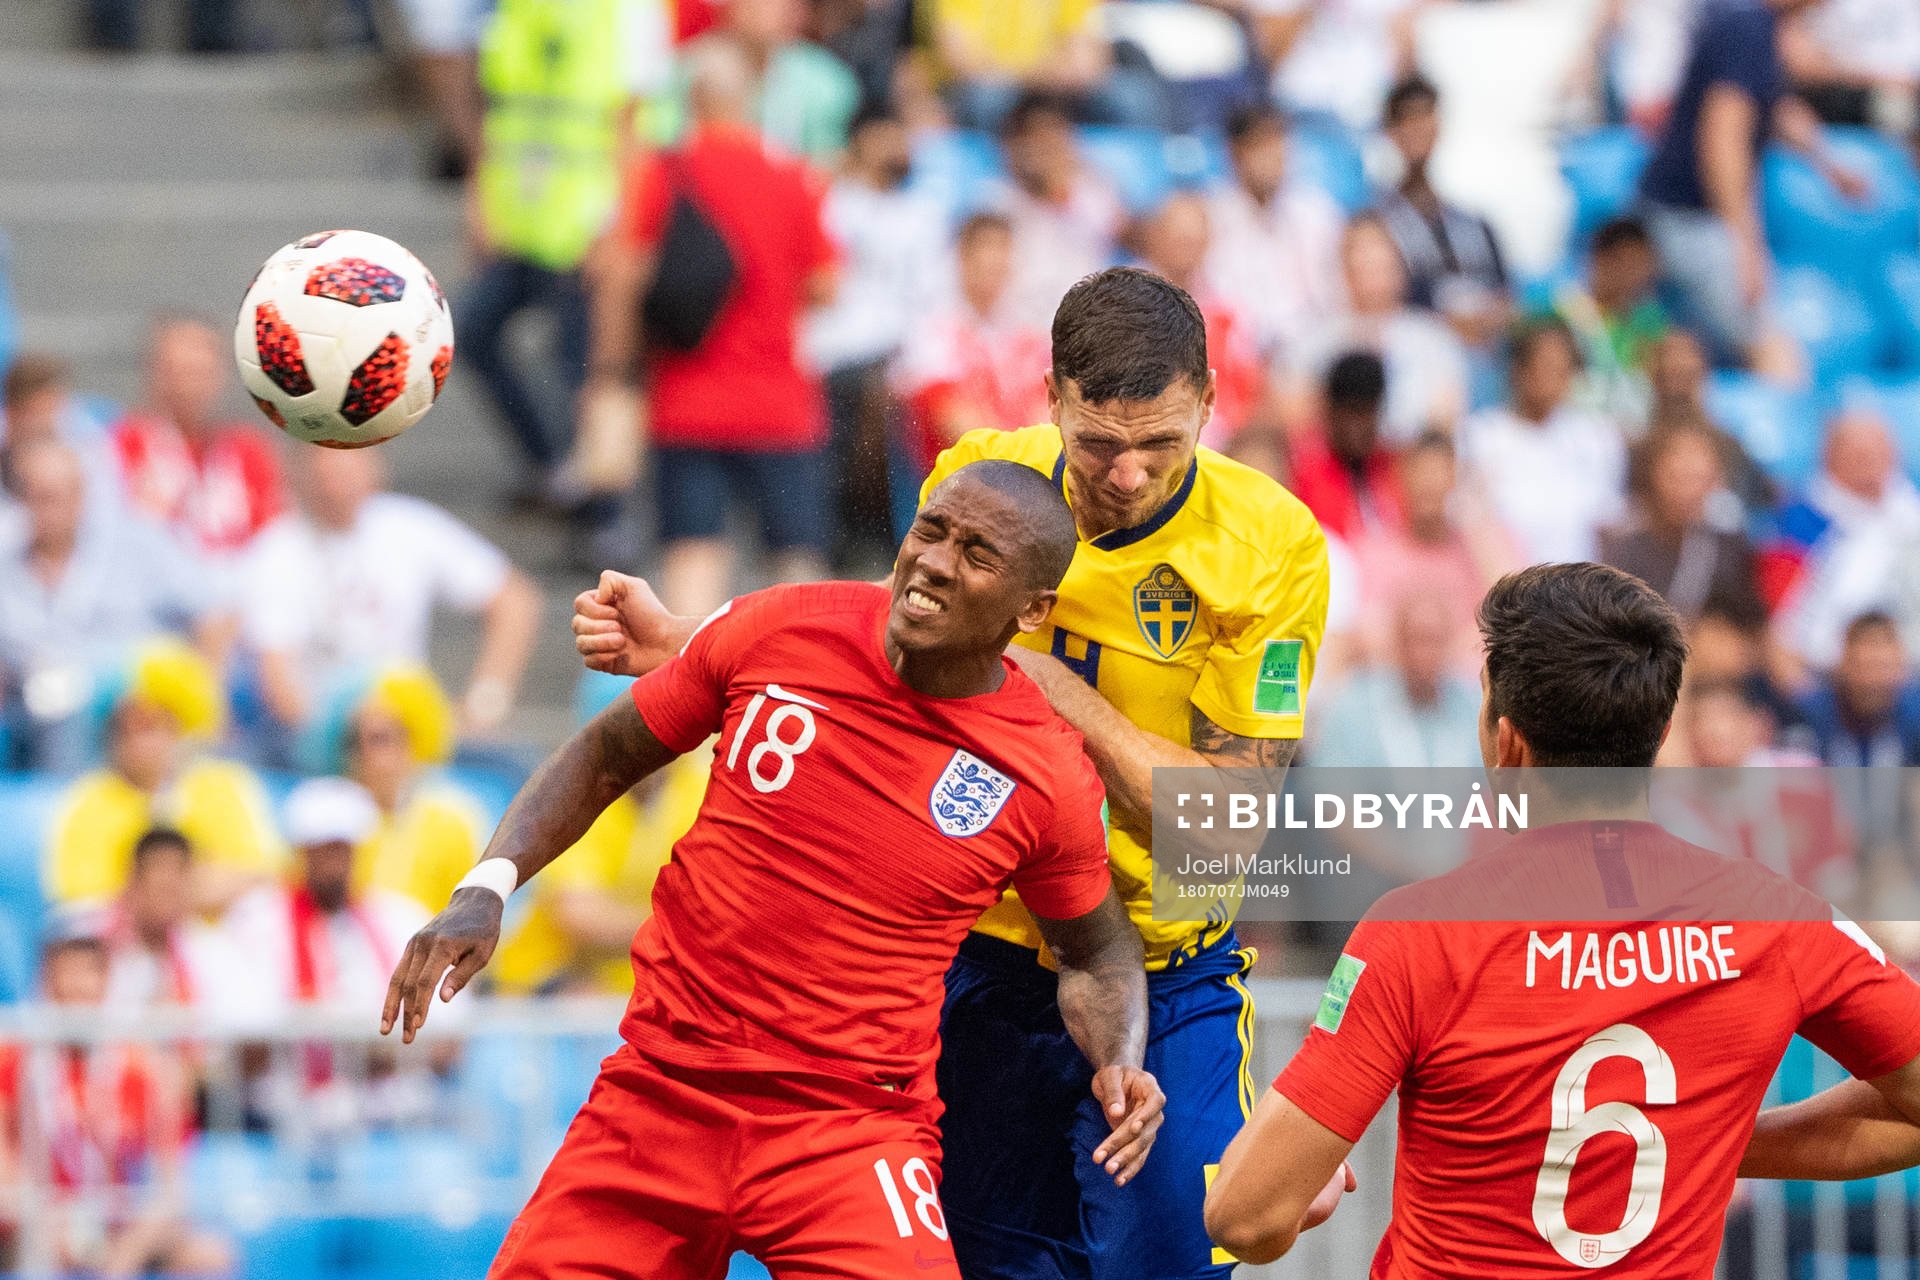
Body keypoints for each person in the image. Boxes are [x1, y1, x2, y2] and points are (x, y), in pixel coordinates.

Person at [571, 267, 1331, 1280]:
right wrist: (693, 640)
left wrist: (1058, 687)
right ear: (1052, 394)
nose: (1129, 475)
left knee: (1175, 1260)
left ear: (1207, 396)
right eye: (1100, 443)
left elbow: (1222, 826)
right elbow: (876, 640)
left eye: (1163, 444)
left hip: (1161, 960)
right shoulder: (982, 475)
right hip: (980, 955)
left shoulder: (1272, 545)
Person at [387, 461, 1164, 1279]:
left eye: (977, 553)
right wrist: (486, 886)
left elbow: (1096, 952)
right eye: (930, 530)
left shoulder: (1044, 772)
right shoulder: (789, 624)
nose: (934, 560)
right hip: (662, 1094)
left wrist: (1121, 1058)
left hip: (849, 1132)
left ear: (1032, 610)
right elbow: (605, 754)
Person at [1203, 561, 1920, 1271]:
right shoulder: (1777, 918)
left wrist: (1301, 1188)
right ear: (1662, 729)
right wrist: (1703, 1137)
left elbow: (1246, 1217)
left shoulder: (1421, 933)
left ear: (1505, 742)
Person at [587, 36, 840, 617]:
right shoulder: (792, 176)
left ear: (693, 100)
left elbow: (620, 272)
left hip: (686, 401)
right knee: (796, 567)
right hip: (781, 405)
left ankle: (692, 685)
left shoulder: (660, 173)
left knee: (692, 556)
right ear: (748, 99)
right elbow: (827, 284)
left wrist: (609, 374)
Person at [462, 0, 669, 507]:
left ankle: (607, 514)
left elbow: (637, 130)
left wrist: (620, 225)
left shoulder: (627, 12)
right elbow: (500, 110)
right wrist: (480, 199)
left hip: (586, 230)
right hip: (523, 220)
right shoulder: (515, 10)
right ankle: (556, 469)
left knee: (587, 369)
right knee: (473, 335)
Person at [241, 444, 539, 742]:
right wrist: (340, 746)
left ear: (375, 467)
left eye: (345, 473)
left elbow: (514, 600)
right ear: (300, 475)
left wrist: (484, 702)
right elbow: (278, 680)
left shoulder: (408, 527)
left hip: (409, 737)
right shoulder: (278, 549)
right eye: (325, 475)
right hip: (319, 742)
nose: (334, 488)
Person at [1636, 0, 1866, 368]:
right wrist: (1744, 243)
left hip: (1692, 216)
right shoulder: (1746, 27)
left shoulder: (1756, 25)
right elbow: (1723, 138)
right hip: (1689, 218)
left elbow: (1773, 108)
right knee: (1775, 355)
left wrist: (1829, 165)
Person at [0, 926, 230, 1280]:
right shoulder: (15, 1059)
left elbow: (170, 1192)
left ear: (107, 981)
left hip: (118, 1227)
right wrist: (46, 1222)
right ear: (47, 982)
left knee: (209, 1257)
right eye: (66, 974)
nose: (77, 987)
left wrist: (127, 1252)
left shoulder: (145, 1069)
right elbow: (5, 1174)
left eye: (88, 973)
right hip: (40, 1224)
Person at [0, 440, 226, 772]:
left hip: (135, 717)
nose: (48, 509)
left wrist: (202, 694)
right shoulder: (7, 567)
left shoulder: (136, 542)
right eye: (37, 496)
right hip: (35, 724)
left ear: (81, 494)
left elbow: (215, 615)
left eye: (59, 495)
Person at [808, 104, 951, 569]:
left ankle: (880, 532)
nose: (896, 147)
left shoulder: (922, 212)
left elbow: (932, 298)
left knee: (885, 395)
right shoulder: (833, 202)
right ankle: (835, 531)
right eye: (885, 136)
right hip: (832, 347)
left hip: (897, 349)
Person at [45, 640, 282, 915]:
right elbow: (83, 902)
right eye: (126, 728)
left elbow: (263, 873)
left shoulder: (223, 786)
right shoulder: (86, 804)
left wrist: (167, 893)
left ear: (178, 726)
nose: (139, 741)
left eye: (151, 725)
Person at [302, 665, 491, 917]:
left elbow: (471, 917)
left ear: (413, 741)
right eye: (354, 741)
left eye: (381, 739)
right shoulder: (328, 821)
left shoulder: (451, 824)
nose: (366, 754)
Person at [109, 317, 287, 577]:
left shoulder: (249, 451)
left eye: (202, 372)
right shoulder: (121, 447)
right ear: (154, 373)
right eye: (180, 371)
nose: (191, 387)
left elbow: (274, 540)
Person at [1282, 214, 1470, 445]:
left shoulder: (1435, 342)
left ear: (1400, 266)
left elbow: (1443, 428)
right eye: (1360, 256)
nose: (1369, 267)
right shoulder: (1310, 341)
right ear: (1342, 266)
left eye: (1379, 258)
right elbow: (1296, 426)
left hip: (1410, 468)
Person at [892, 212, 1051, 483]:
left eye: (1003, 250)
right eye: (986, 251)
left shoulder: (1029, 336)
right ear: (963, 258)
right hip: (956, 488)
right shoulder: (933, 334)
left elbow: (1049, 415)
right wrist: (1023, 463)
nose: (995, 261)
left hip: (1026, 482)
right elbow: (957, 424)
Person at [1459, 316, 1628, 564]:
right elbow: (1471, 525)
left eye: (1563, 368)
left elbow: (1608, 526)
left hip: (1577, 590)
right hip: (1505, 587)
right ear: (1519, 369)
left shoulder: (1598, 438)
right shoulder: (1480, 435)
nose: (1552, 378)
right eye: (1544, 365)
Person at [1203, 103, 1347, 368]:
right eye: (1262, 145)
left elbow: (1336, 292)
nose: (1275, 156)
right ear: (1236, 153)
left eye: (1280, 143)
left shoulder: (1315, 212)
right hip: (1241, 358)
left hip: (1315, 351)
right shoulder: (1210, 217)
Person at [1376, 76, 1512, 352]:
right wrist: (1449, 325)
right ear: (1390, 132)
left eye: (1425, 117)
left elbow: (1505, 293)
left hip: (1486, 350)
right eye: (1407, 120)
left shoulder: (1474, 223)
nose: (1417, 129)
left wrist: (1489, 321)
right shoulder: (1380, 225)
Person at [1136, 192, 1268, 449]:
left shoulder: (1228, 314)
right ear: (1154, 237)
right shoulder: (1128, 309)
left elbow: (1252, 392)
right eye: (1177, 237)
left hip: (1225, 445)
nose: (1186, 246)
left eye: (1193, 238)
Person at [1602, 421, 1766, 627]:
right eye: (1677, 478)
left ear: (1716, 482)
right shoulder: (1626, 549)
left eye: (1697, 479)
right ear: (1652, 475)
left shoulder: (1729, 548)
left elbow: (1747, 624)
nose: (1687, 493)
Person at [101, 828, 260, 1024]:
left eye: (173, 888)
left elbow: (247, 1026)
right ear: (134, 882)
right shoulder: (103, 949)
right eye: (159, 888)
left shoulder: (216, 952)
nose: (167, 889)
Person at [997, 92, 1126, 332]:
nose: (1046, 150)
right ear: (1013, 145)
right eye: (1036, 139)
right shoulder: (997, 202)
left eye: (1054, 137)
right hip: (1018, 329)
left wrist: (1064, 194)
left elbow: (1132, 239)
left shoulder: (1091, 193)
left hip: (1084, 325)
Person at [928, 0, 1165, 130]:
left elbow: (1087, 56)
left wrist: (1057, 72)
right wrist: (1038, 73)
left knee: (1131, 97)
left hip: (1053, 84)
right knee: (986, 98)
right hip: (994, 87)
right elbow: (960, 58)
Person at [1308, 592, 1482, 768]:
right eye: (1418, 638)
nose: (1426, 654)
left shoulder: (1473, 709)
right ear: (1398, 641)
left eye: (1435, 640)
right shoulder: (1356, 706)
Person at [1544, 216, 1670, 429]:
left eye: (1642, 265)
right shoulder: (1563, 313)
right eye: (1626, 263)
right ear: (1599, 260)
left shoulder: (1650, 322)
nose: (1635, 275)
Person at [1284, 351, 1400, 543]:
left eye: (1368, 413)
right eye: (1351, 412)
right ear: (1330, 410)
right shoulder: (1303, 472)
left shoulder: (1392, 470)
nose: (1359, 426)